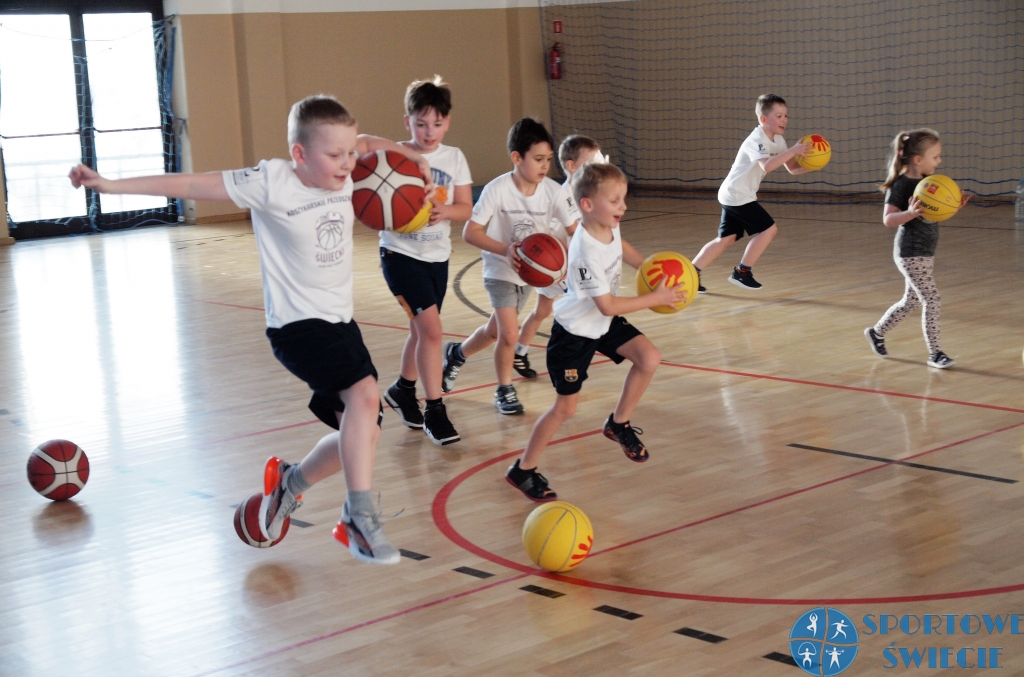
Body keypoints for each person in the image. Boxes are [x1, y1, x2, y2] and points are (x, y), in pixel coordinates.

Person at [69, 95, 433, 564]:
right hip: (297, 327)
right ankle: (357, 518)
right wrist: (112, 185)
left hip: (341, 324)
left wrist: (416, 163)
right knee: (364, 398)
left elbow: (368, 144)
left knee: (362, 432)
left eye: (349, 153)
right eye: (334, 155)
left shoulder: (353, 168)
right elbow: (193, 184)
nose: (347, 163)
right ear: (300, 154)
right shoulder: (272, 181)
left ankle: (289, 482)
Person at [505, 162, 686, 501]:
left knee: (649, 357)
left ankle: (618, 424)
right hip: (575, 333)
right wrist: (655, 298)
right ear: (587, 205)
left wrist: (650, 267)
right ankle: (523, 469)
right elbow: (608, 306)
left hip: (600, 324)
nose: (624, 207)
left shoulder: (608, 226)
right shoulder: (584, 251)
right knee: (565, 410)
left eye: (624, 199)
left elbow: (622, 247)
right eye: (615, 200)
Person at [441, 118, 577, 415]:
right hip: (500, 269)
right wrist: (506, 250)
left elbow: (575, 232)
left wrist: (571, 260)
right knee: (510, 334)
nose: (544, 166)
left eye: (548, 160)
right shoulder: (497, 189)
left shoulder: (554, 191)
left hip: (530, 274)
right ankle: (504, 389)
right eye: (538, 159)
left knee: (494, 331)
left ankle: (456, 353)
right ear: (517, 157)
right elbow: (470, 232)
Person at [380, 76, 472, 445]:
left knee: (421, 331)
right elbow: (375, 203)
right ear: (407, 122)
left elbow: (465, 208)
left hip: (438, 256)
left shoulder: (454, 157)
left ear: (447, 122)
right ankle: (435, 409)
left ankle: (403, 389)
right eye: (421, 123)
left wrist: (445, 211)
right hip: (400, 254)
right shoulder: (394, 156)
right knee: (433, 332)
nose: (429, 131)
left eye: (436, 124)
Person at [864, 128, 968, 369]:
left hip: (926, 253)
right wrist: (909, 213)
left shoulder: (929, 184)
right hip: (910, 253)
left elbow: (934, 213)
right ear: (918, 160)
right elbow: (888, 219)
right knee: (932, 299)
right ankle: (936, 353)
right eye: (936, 157)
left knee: (910, 301)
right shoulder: (901, 185)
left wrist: (953, 206)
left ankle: (877, 333)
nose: (939, 161)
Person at [691, 93, 811, 291]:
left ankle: (691, 273)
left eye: (786, 116)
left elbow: (792, 168)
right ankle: (742, 272)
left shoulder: (779, 140)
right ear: (764, 119)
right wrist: (794, 150)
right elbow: (767, 166)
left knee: (726, 239)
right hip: (738, 194)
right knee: (769, 229)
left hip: (734, 193)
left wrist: (812, 164)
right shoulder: (757, 139)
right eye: (779, 116)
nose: (784, 120)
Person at [512, 134, 605, 379]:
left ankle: (519, 352)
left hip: (566, 267)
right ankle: (564, 363)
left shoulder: (590, 196)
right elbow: (547, 234)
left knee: (542, 312)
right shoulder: (559, 195)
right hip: (554, 267)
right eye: (590, 161)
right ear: (572, 166)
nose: (596, 166)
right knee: (572, 312)